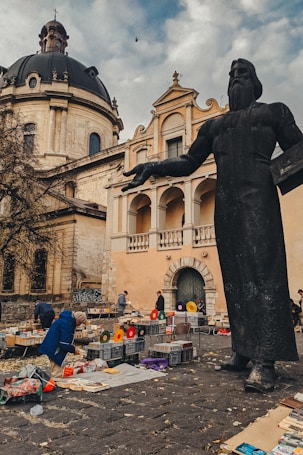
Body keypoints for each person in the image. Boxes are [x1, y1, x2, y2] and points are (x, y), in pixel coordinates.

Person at [122, 58, 303, 393]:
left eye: (243, 74)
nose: (236, 79)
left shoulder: (274, 113)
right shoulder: (214, 127)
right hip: (226, 207)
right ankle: (243, 351)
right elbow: (189, 162)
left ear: (256, 83)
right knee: (234, 279)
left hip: (260, 202)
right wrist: (154, 165)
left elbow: (300, 149)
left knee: (264, 277)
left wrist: (276, 175)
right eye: (232, 75)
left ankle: (266, 361)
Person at [38, 310, 86, 379]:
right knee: (57, 372)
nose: (79, 325)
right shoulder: (68, 324)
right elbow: (64, 343)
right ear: (78, 320)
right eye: (80, 323)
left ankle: (55, 382)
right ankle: (56, 385)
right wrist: (73, 350)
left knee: (56, 368)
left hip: (52, 345)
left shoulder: (66, 320)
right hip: (55, 348)